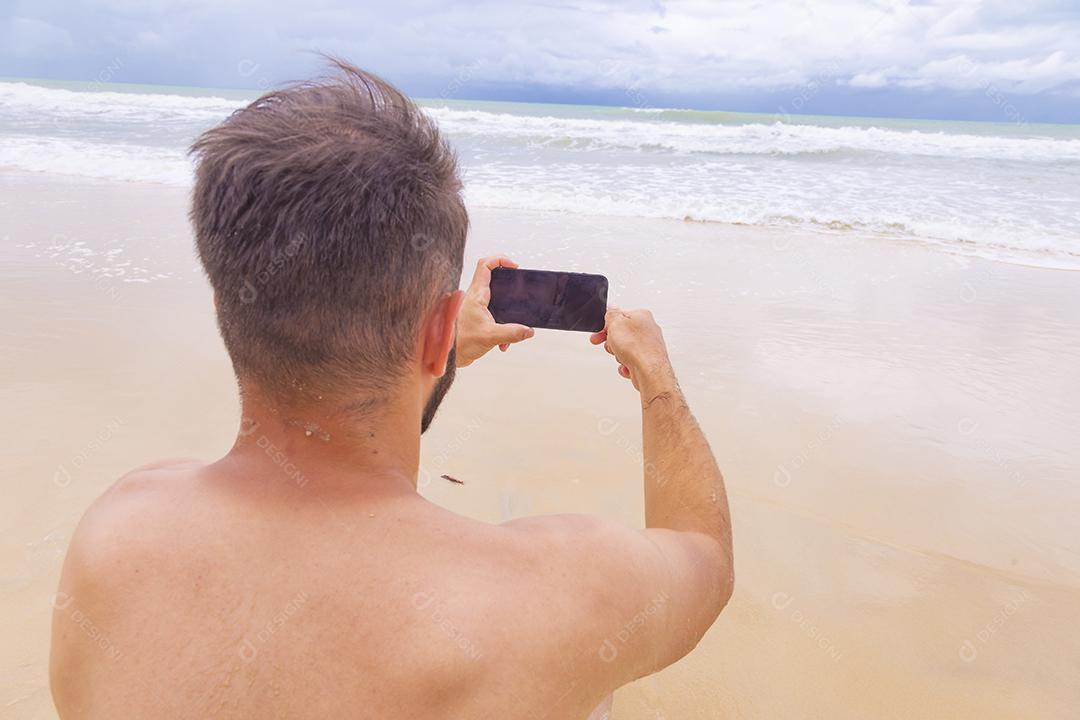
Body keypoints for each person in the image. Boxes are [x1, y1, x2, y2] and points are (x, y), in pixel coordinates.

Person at [49, 60, 733, 720]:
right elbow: (704, 555)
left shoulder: (115, 537)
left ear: (227, 306)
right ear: (439, 330)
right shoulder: (559, 592)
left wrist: (434, 352)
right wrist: (656, 377)